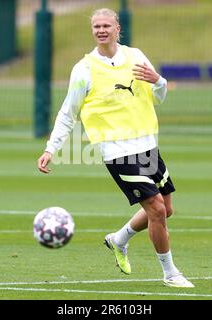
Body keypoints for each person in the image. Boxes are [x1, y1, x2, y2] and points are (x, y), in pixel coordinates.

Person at [37, 8, 194, 288]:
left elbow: (160, 95)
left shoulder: (135, 56)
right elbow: (67, 113)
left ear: (117, 29)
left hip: (147, 145)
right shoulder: (84, 69)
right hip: (117, 151)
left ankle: (118, 239)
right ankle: (171, 274)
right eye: (96, 26)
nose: (101, 30)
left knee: (166, 209)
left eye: (106, 25)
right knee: (156, 209)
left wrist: (158, 80)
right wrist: (52, 148)